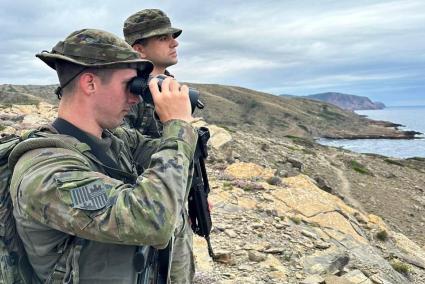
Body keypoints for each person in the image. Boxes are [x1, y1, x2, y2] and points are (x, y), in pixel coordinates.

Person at [9, 28, 197, 283]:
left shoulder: (114, 140)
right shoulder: (46, 171)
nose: (135, 97)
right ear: (90, 83)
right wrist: (177, 125)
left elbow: (177, 160)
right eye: (129, 85)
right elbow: (152, 220)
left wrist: (175, 118)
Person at [123, 9, 195, 284]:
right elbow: (121, 154)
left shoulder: (170, 87)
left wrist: (191, 192)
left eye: (173, 36)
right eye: (164, 38)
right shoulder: (127, 94)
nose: (174, 43)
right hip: (146, 209)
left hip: (176, 202)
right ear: (139, 49)